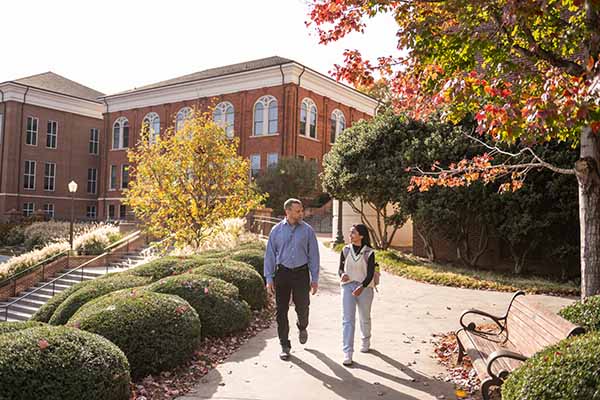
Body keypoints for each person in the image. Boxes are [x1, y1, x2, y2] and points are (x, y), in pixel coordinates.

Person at [264, 198, 320, 360]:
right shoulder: (276, 231)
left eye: (301, 210)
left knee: (303, 307)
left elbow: (314, 255)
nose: (301, 213)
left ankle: (302, 326)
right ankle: (284, 345)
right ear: (287, 211)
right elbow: (269, 256)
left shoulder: (308, 231)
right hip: (282, 274)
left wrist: (314, 278)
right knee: (281, 310)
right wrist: (269, 278)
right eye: (298, 211)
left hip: (301, 274)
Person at [339, 224, 376, 366]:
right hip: (348, 287)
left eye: (353, 232)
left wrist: (362, 286)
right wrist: (343, 275)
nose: (350, 234)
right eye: (350, 232)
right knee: (347, 320)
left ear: (361, 235)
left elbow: (371, 274)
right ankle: (347, 352)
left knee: (364, 317)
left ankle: (365, 339)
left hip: (365, 288)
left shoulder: (369, 252)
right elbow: (340, 269)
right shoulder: (345, 250)